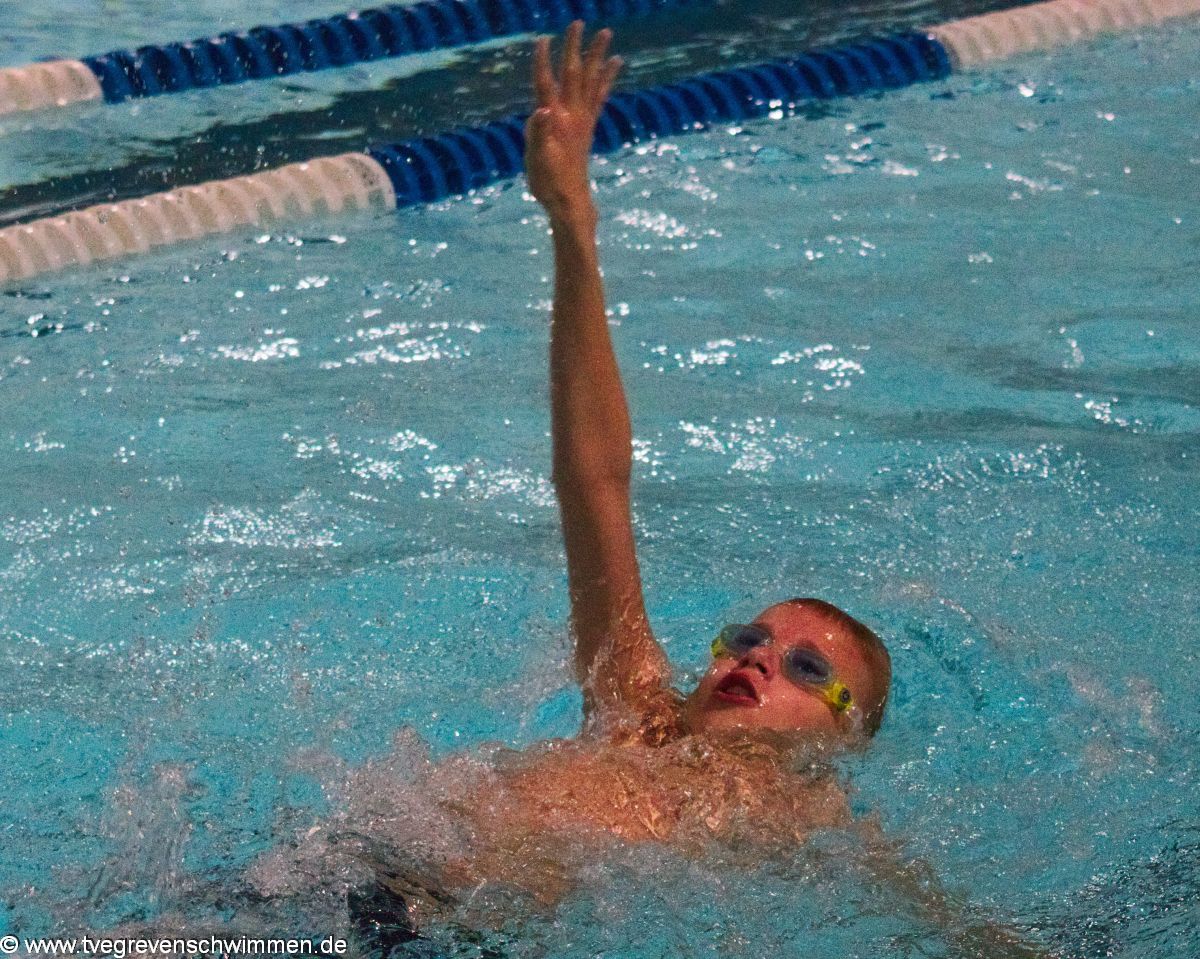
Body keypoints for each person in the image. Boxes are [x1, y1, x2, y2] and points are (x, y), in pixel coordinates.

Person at [344, 21, 1046, 958]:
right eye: (750, 638)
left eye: (807, 670)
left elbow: (950, 925)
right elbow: (595, 481)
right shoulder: (636, 706)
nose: (758, 661)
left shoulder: (809, 829)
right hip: (346, 887)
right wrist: (572, 225)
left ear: (844, 737)